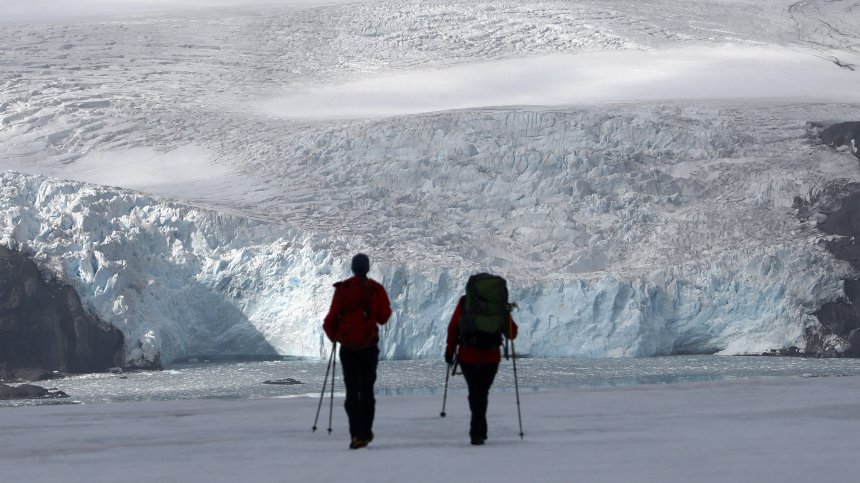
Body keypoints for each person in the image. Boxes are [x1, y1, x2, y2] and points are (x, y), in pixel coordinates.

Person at [323, 253, 392, 449]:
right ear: (367, 268)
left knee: (352, 391)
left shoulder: (343, 289)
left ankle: (356, 435)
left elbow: (329, 321)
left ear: (353, 268)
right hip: (368, 348)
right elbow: (383, 317)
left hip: (348, 349)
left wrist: (337, 338)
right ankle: (366, 432)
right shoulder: (375, 288)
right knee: (367, 390)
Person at [444, 293, 518, 446]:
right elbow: (512, 333)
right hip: (491, 357)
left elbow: (453, 327)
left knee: (475, 392)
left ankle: (477, 432)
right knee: (481, 392)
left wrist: (449, 351)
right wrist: (506, 312)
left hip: (467, 356)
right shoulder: (497, 302)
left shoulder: (465, 301)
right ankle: (479, 430)